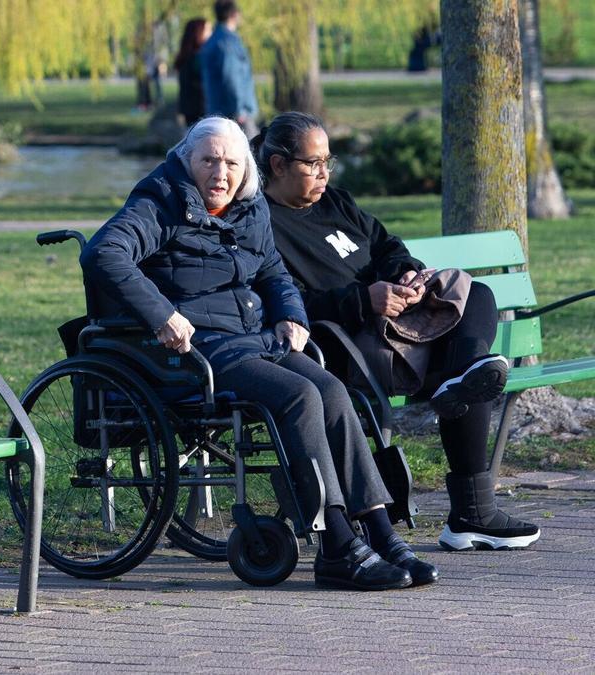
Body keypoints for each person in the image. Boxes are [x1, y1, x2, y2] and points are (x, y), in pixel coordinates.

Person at [80, 117, 438, 590]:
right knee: (298, 396)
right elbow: (104, 253)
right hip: (195, 351)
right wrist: (162, 314)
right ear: (188, 161)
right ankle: (335, 544)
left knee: (331, 390)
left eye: (230, 162)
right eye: (209, 160)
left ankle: (380, 530)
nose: (220, 173)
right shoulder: (159, 202)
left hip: (253, 339)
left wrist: (293, 316)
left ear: (245, 168)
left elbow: (273, 273)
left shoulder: (249, 210)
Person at [256, 111, 542, 553]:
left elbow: (387, 246)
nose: (324, 174)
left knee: (476, 294)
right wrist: (363, 300)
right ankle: (473, 514)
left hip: (400, 321)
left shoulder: (336, 202)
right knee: (462, 368)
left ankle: (464, 372)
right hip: (350, 342)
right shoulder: (263, 224)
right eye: (313, 164)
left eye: (328, 162)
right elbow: (283, 301)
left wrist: (406, 274)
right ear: (278, 165)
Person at [199, 1, 259, 138]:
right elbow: (231, 78)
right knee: (250, 154)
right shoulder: (228, 42)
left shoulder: (213, 40)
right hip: (235, 115)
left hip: (218, 112)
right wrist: (239, 110)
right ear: (234, 15)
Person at [174, 18, 211, 127]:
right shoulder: (198, 57)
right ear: (199, 33)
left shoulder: (185, 56)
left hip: (188, 109)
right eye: (208, 30)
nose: (211, 33)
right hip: (201, 110)